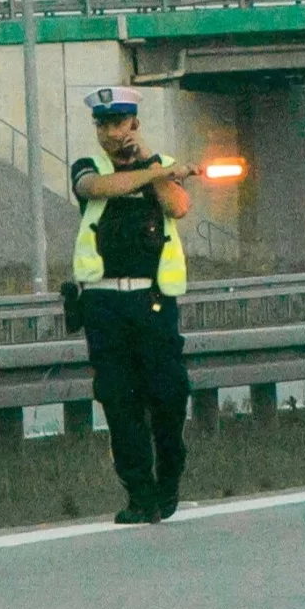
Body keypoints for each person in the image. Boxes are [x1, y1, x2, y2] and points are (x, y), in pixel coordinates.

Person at [70, 87, 199, 525]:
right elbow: (99, 188)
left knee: (167, 395)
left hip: (152, 300)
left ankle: (168, 480)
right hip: (104, 303)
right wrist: (159, 170)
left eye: (119, 123)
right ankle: (139, 495)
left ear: (134, 125)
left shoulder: (156, 166)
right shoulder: (91, 168)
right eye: (103, 125)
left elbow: (177, 205)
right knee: (118, 400)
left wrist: (152, 162)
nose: (111, 133)